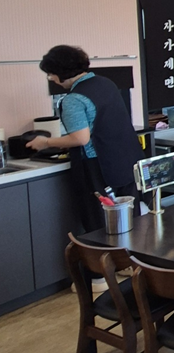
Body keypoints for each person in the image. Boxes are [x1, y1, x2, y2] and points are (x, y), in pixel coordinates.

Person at [27, 45, 143, 233]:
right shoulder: (105, 83)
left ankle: (106, 253)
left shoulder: (73, 99)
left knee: (102, 226)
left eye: (51, 74)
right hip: (126, 162)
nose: (51, 78)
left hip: (99, 167)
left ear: (62, 72)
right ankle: (133, 252)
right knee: (130, 221)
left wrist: (45, 142)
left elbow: (80, 138)